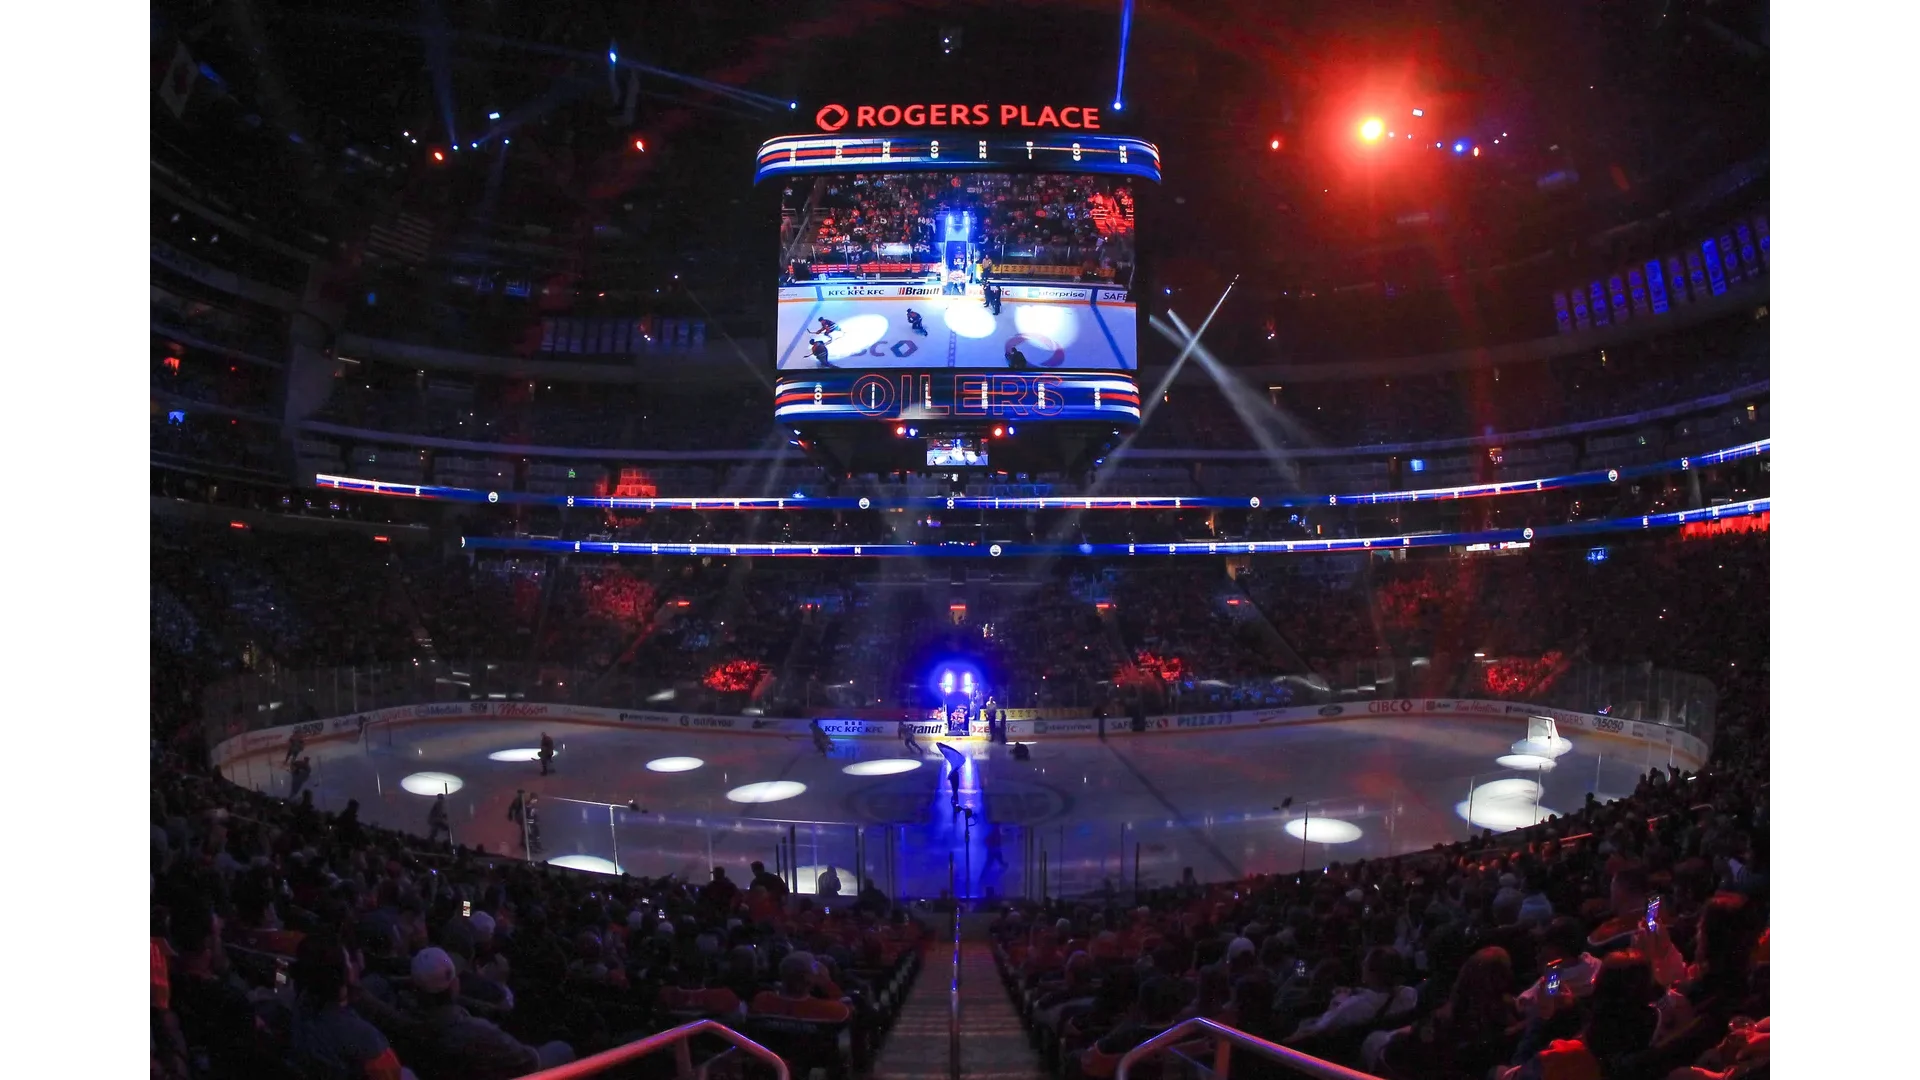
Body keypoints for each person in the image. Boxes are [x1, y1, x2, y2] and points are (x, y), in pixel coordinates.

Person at [408, 947, 573, 1077]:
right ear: (454, 984)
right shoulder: (475, 1031)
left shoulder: (408, 1020)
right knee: (562, 1048)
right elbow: (528, 1061)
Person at [285, 934, 411, 1080]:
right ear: (342, 974)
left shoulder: (302, 999)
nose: (354, 962)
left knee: (379, 983)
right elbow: (392, 1074)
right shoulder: (366, 1038)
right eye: (349, 960)